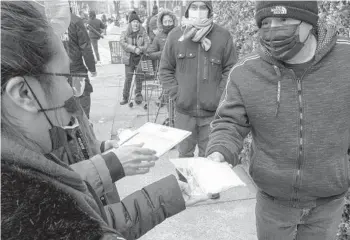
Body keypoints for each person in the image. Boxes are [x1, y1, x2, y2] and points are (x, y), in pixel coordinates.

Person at [1, 2, 208, 239]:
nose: (73, 96)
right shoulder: (26, 207)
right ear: (24, 94)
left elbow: (90, 219)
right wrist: (110, 164)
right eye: (66, 78)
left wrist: (170, 194)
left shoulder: (30, 163)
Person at [206, 1, 350, 239]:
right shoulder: (246, 72)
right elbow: (229, 123)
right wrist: (218, 152)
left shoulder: (346, 61)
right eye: (266, 23)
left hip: (328, 201)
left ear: (309, 21)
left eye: (283, 20)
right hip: (273, 202)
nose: (273, 29)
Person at [159, 1, 237, 159]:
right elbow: (165, 69)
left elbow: (231, 69)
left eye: (203, 7)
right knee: (184, 157)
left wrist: (219, 96)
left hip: (212, 113)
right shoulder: (175, 36)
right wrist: (177, 95)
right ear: (187, 10)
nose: (198, 11)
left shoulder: (223, 36)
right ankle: (184, 185)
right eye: (194, 7)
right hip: (183, 113)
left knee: (208, 159)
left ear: (210, 11)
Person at [61, 8, 97, 118]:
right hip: (76, 71)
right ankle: (84, 131)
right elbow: (85, 47)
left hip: (58, 73)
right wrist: (92, 69)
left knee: (64, 106)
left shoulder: (50, 22)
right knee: (82, 105)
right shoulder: (75, 20)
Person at [147, 9, 178, 125]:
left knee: (178, 96)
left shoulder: (179, 34)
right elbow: (150, 53)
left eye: (170, 21)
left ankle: (176, 118)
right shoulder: (159, 37)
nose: (168, 24)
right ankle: (172, 119)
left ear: (174, 21)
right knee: (168, 96)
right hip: (165, 72)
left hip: (180, 70)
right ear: (162, 22)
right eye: (166, 21)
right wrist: (164, 53)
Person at [120, 11, 150, 105]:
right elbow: (123, 43)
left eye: (137, 22)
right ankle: (125, 97)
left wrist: (140, 49)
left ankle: (138, 94)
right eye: (134, 22)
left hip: (139, 58)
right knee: (128, 78)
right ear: (130, 23)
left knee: (139, 77)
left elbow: (147, 43)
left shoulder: (143, 33)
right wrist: (134, 49)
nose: (136, 24)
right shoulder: (125, 33)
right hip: (129, 59)